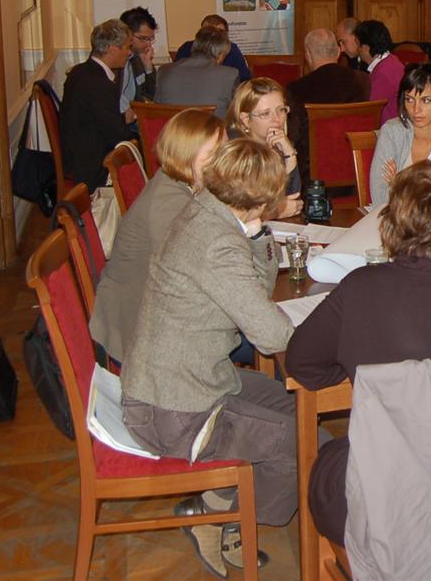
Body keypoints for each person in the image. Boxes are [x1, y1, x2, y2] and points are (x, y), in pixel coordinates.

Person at [288, 162, 431, 546]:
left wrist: (354, 365)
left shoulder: (361, 287)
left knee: (326, 457)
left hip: (381, 495)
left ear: (392, 223)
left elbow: (302, 364)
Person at [120, 139, 297, 573]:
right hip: (174, 409)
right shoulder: (217, 244)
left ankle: (212, 506)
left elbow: (257, 291)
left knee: (295, 406)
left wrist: (257, 232)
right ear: (260, 200)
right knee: (298, 443)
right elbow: (270, 334)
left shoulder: (205, 211)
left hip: (190, 379)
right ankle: (229, 522)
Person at [90, 109, 226, 365]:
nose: (224, 160)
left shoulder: (179, 182)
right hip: (140, 335)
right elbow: (204, 272)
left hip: (158, 314)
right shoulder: (169, 203)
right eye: (214, 154)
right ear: (186, 154)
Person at [369, 63, 431, 206]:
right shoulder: (391, 132)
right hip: (397, 219)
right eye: (410, 99)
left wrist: (400, 183)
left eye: (426, 100)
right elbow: (379, 198)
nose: (416, 109)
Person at [285, 28, 370, 181]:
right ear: (338, 52)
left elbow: (293, 136)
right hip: (357, 173)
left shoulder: (296, 90)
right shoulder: (363, 82)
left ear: (308, 55)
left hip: (312, 179)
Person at [60, 19, 133, 191]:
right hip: (91, 163)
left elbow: (97, 118)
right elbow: (116, 135)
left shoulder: (79, 72)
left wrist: (122, 118)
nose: (129, 53)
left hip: (75, 151)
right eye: (127, 47)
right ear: (112, 49)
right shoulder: (100, 84)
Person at [228, 78, 303, 217]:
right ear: (246, 120)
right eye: (265, 114)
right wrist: (273, 212)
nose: (277, 119)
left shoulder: (279, 143)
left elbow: (292, 198)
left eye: (281, 110)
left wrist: (289, 154)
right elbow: (235, 213)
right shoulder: (235, 152)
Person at [154, 26, 238, 117]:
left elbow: (156, 109)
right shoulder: (230, 75)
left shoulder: (164, 71)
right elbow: (235, 114)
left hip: (173, 125)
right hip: (211, 125)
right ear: (220, 55)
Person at [174, 14, 251, 83]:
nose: (214, 37)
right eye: (207, 33)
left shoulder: (232, 49)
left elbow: (244, 78)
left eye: (220, 32)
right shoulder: (187, 47)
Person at [353, 19, 403, 125]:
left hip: (387, 130)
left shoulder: (383, 73)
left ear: (365, 48)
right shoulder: (391, 61)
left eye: (357, 44)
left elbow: (369, 111)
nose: (357, 49)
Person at [118, 6, 159, 115]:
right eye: (143, 38)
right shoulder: (115, 61)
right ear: (127, 35)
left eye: (151, 39)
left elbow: (152, 95)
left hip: (136, 115)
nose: (148, 44)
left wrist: (148, 67)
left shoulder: (138, 58)